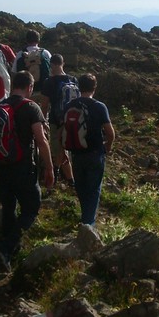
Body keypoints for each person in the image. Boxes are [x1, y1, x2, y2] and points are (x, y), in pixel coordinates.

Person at [0, 70, 55, 271]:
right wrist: (49, 167)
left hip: (1, 166)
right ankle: (4, 248)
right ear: (29, 87)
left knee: (9, 208)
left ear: (13, 86)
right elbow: (41, 139)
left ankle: (6, 254)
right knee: (30, 208)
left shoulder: (1, 106)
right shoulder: (31, 107)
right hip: (24, 168)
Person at [65, 73, 115, 227]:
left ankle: (85, 218)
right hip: (95, 153)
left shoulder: (70, 105)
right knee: (93, 190)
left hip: (76, 153)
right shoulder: (99, 106)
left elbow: (63, 129)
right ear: (95, 87)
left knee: (81, 187)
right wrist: (107, 146)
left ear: (79, 87)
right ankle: (88, 225)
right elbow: (110, 133)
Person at [40, 54, 78, 187]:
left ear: (53, 65)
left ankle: (54, 177)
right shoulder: (73, 80)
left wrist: (42, 121)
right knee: (64, 150)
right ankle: (71, 180)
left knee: (58, 150)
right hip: (73, 122)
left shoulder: (49, 82)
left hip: (57, 121)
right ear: (63, 64)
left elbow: (44, 105)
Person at [12, 29, 51, 94]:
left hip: (24, 91)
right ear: (38, 40)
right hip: (42, 91)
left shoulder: (20, 54)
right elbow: (51, 71)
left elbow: (14, 72)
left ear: (27, 40)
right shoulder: (46, 53)